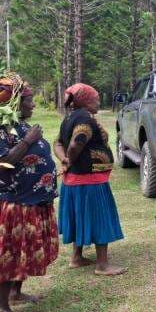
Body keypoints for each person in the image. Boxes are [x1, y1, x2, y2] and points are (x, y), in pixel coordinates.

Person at [0, 74, 59, 312]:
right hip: (16, 203)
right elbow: (3, 163)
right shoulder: (3, 129)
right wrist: (28, 141)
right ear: (14, 102)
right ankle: (3, 310)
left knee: (22, 251)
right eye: (29, 100)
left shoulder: (19, 125)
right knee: (9, 255)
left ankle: (16, 291)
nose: (33, 105)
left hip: (33, 201)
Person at [54, 83, 126, 276]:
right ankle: (102, 264)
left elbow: (58, 142)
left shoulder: (69, 117)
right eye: (96, 98)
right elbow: (76, 144)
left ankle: (76, 257)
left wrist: (65, 160)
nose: (99, 101)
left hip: (74, 180)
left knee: (79, 215)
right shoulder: (85, 119)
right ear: (86, 100)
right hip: (90, 180)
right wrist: (70, 159)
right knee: (99, 216)